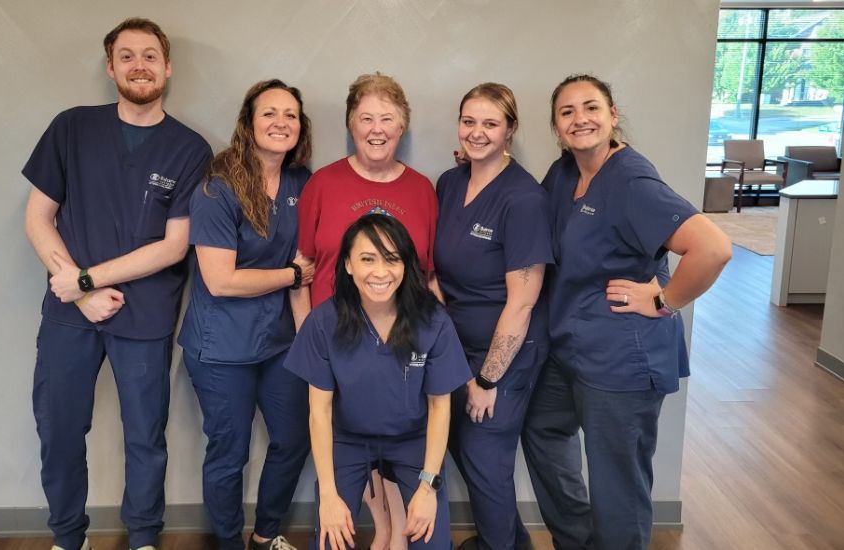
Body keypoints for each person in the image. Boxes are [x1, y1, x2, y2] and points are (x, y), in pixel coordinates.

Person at [22, 18, 212, 550]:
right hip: (69, 314)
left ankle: (144, 537)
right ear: (110, 68)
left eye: (150, 55)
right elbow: (38, 218)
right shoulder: (71, 128)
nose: (139, 65)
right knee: (59, 429)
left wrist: (86, 279)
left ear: (167, 67)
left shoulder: (190, 149)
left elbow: (174, 247)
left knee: (145, 437)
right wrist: (82, 293)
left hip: (145, 316)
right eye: (126, 56)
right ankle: (68, 538)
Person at [521, 74, 732, 550]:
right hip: (570, 345)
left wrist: (663, 299)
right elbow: (530, 209)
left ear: (612, 115)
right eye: (567, 112)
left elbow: (713, 248)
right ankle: (578, 542)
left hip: (622, 356)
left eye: (591, 107)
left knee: (616, 480)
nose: (580, 119)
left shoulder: (631, 181)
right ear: (556, 126)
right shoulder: (564, 173)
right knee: (542, 429)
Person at [297, 72, 439, 549]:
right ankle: (381, 530)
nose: (377, 129)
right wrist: (308, 341)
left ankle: (392, 535)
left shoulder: (422, 190)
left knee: (398, 440)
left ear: (403, 126)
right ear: (350, 124)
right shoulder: (322, 184)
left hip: (402, 347)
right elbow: (303, 269)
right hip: (336, 347)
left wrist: (440, 343)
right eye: (365, 118)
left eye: (388, 118)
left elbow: (428, 276)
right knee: (347, 446)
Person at [177, 79, 314, 550]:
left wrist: (309, 341)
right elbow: (220, 280)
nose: (281, 122)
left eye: (290, 115)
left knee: (294, 439)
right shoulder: (218, 188)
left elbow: (309, 254)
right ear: (248, 123)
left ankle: (266, 534)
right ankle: (228, 542)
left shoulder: (301, 183)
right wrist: (291, 275)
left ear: (301, 126)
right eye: (269, 113)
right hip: (221, 347)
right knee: (229, 453)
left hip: (280, 343)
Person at [285, 214, 472, 550]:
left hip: (412, 438)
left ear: (405, 265)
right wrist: (328, 496)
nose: (381, 272)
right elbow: (319, 412)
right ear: (348, 264)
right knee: (331, 539)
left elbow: (439, 407)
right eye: (368, 259)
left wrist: (428, 487)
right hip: (348, 439)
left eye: (391, 259)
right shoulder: (324, 322)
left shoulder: (433, 321)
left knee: (431, 541)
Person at [433, 83, 553, 550]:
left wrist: (487, 378)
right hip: (456, 347)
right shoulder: (450, 183)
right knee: (464, 453)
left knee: (484, 458)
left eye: (490, 123)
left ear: (510, 130)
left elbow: (522, 302)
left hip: (504, 354)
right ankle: (510, 543)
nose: (477, 132)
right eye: (469, 121)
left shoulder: (524, 199)